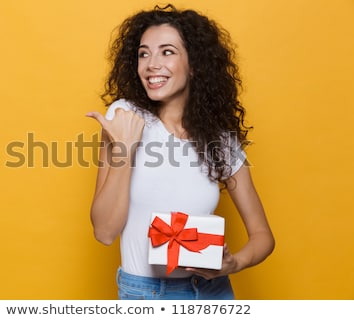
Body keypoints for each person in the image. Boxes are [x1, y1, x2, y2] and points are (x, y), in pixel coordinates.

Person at [86, 4, 275, 300]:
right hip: (147, 294)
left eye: (167, 52)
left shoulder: (219, 139)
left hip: (213, 293)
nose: (151, 64)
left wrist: (232, 263)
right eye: (143, 53)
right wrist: (124, 150)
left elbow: (263, 237)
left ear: (194, 64)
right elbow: (105, 232)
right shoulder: (126, 116)